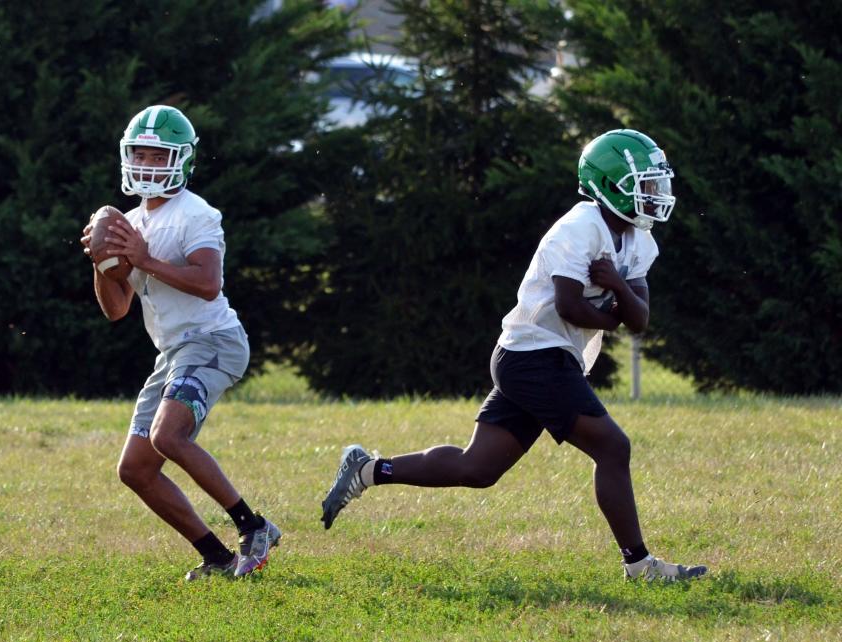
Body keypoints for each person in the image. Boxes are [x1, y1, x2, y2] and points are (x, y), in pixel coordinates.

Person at [321, 129, 707, 583]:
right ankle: (639, 564)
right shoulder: (580, 227)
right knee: (613, 447)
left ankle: (367, 470)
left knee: (478, 467)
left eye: (654, 185)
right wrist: (614, 314)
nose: (653, 195)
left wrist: (618, 288)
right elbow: (570, 306)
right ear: (609, 183)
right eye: (643, 185)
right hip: (533, 355)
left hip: (549, 357)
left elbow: (639, 318)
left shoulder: (640, 242)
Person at [80, 105, 280, 579]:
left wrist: (144, 260)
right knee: (135, 470)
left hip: (213, 339)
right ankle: (216, 556)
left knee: (168, 437)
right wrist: (101, 264)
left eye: (158, 155)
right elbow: (116, 309)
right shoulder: (133, 221)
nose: (147, 165)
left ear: (182, 160)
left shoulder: (197, 214)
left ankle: (254, 526)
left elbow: (208, 282)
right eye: (140, 155)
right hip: (172, 353)